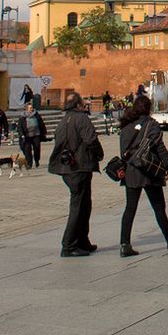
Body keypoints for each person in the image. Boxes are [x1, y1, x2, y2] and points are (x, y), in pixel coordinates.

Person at [116, 96, 168, 257]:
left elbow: (123, 152)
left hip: (131, 171)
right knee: (158, 207)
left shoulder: (126, 126)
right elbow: (160, 148)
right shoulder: (151, 125)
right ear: (149, 108)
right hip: (149, 171)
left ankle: (124, 244)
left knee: (130, 208)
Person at [49, 91, 103, 256]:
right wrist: (99, 154)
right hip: (80, 166)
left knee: (84, 205)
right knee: (78, 206)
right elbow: (91, 139)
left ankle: (82, 241)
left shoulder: (63, 121)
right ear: (79, 104)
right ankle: (68, 245)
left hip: (67, 168)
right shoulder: (81, 119)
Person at [17, 102, 48, 169]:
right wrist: (21, 134)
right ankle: (29, 163)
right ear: (26, 109)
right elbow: (19, 127)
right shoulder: (22, 117)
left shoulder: (36, 115)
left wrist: (44, 132)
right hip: (27, 135)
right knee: (27, 150)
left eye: (32, 108)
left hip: (36, 134)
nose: (31, 109)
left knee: (37, 148)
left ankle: (36, 160)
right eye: (30, 108)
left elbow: (41, 124)